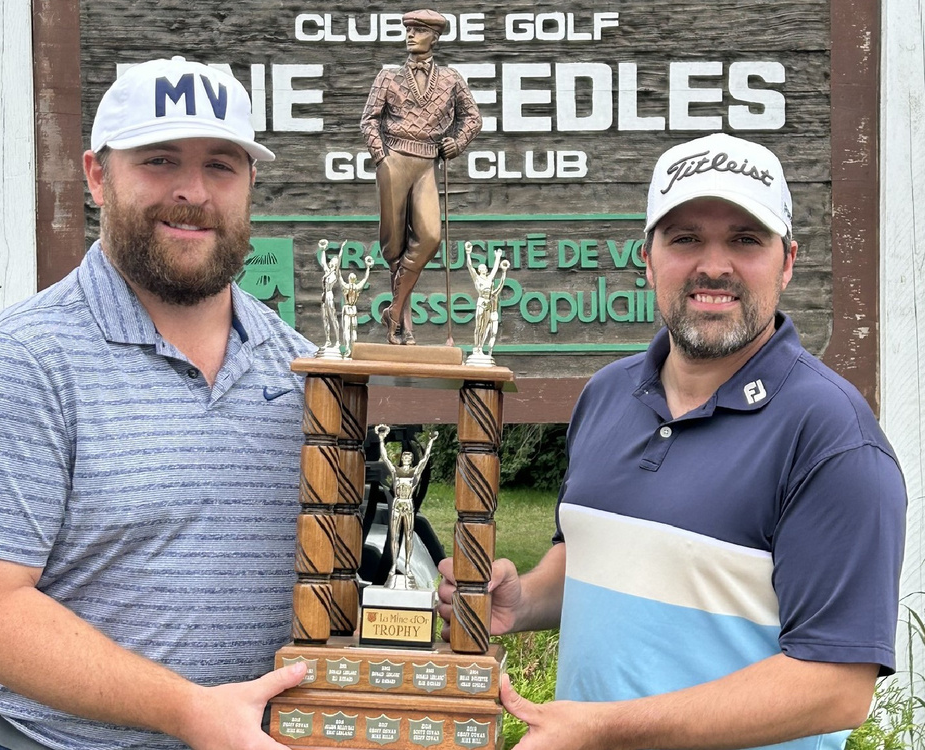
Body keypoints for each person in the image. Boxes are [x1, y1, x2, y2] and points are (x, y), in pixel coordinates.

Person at [438, 133, 907, 750]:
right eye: (686, 238)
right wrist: (523, 603)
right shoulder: (605, 396)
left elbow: (836, 686)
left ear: (788, 261)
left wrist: (601, 730)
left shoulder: (832, 438)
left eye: (745, 239)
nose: (714, 265)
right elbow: (587, 555)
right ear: (649, 257)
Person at [0, 56, 317, 750]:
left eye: (221, 165)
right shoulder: (17, 366)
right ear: (97, 176)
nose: (193, 192)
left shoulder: (301, 367)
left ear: (251, 184)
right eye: (160, 160)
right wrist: (191, 712)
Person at [360, 9, 481, 345]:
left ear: (435, 37)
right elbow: (368, 120)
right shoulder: (388, 77)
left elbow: (472, 118)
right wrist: (382, 158)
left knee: (429, 237)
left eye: (419, 30)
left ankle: (394, 311)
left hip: (427, 164)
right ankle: (402, 326)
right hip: (394, 160)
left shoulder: (451, 79)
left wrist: (455, 143)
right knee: (394, 247)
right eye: (408, 29)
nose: (410, 35)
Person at [375, 425, 439, 589]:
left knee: (408, 536)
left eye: (409, 457)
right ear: (402, 458)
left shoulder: (414, 473)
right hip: (398, 503)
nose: (407, 458)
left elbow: (424, 461)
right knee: (394, 536)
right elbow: (385, 457)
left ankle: (408, 567)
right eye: (405, 456)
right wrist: (382, 439)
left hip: (408, 504)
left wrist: (430, 442)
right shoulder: (396, 472)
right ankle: (392, 567)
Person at [465, 243, 510, 359]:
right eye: (481, 268)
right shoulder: (477, 278)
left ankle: (481, 346)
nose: (484, 270)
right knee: (478, 326)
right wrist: (468, 254)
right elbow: (470, 267)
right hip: (481, 302)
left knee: (485, 327)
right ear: (479, 270)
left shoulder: (489, 279)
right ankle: (477, 347)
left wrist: (498, 258)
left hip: (488, 303)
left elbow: (495, 269)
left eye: (485, 268)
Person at [339, 255, 374, 358]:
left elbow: (339, 277)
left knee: (347, 330)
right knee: (353, 330)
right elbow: (365, 279)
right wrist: (368, 268)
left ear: (349, 279)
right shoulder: (357, 287)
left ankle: (347, 349)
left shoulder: (346, 287)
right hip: (353, 309)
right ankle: (353, 349)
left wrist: (338, 267)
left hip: (347, 308)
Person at [316, 239, 342, 351]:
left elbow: (339, 259)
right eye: (332, 261)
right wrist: (323, 249)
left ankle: (337, 341)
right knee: (325, 318)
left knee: (333, 317)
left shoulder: (336, 273)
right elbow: (323, 262)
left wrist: (342, 249)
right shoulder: (327, 271)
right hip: (324, 295)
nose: (332, 262)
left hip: (330, 295)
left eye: (334, 262)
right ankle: (327, 340)